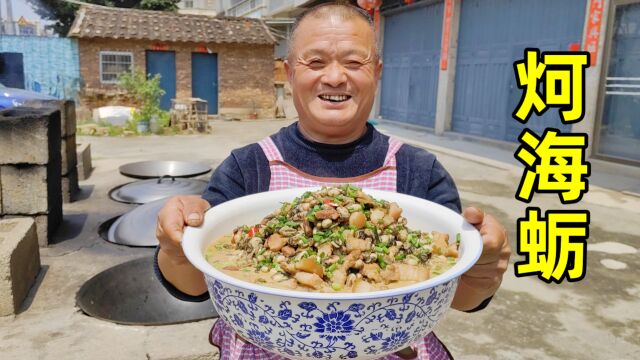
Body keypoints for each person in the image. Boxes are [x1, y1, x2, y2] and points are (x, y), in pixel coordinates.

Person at [155, 3, 511, 359]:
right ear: (289, 72)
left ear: (378, 72)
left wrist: (482, 271)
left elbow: (459, 297)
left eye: (354, 63)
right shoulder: (247, 167)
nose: (336, 77)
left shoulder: (419, 171)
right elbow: (193, 286)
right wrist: (177, 248)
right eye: (316, 62)